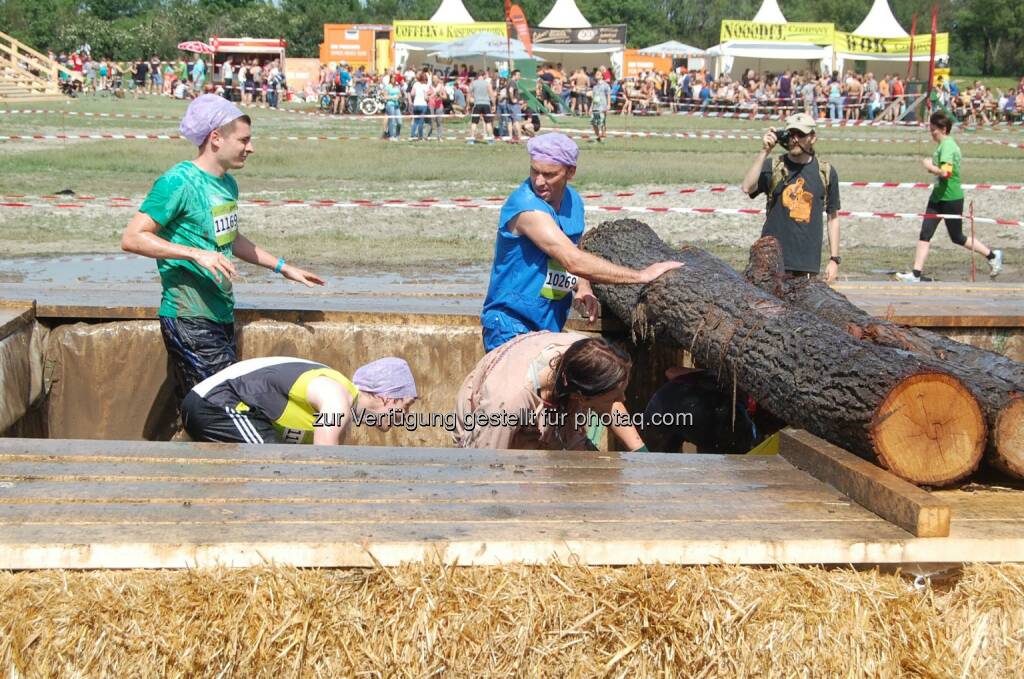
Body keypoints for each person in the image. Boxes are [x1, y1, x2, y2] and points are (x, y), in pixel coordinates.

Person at [479, 133, 683, 451]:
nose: (539, 180)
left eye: (550, 174)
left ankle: (636, 455)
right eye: (534, 171)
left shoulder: (573, 202)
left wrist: (582, 286)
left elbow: (572, 253)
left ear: (570, 172)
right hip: (511, 324)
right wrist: (640, 276)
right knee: (524, 417)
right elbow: (572, 259)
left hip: (549, 323)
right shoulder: (526, 208)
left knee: (591, 385)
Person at [121, 95, 325, 405]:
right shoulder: (178, 181)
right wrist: (196, 253)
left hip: (220, 313)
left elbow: (230, 239)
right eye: (244, 140)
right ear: (215, 138)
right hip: (189, 318)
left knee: (206, 410)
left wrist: (282, 266)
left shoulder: (227, 185)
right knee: (223, 410)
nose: (251, 148)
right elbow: (133, 237)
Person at [454, 332, 630, 451]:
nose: (623, 398)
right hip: (486, 427)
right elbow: (482, 470)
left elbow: (610, 401)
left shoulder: (589, 355)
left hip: (552, 403)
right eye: (615, 397)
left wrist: (641, 453)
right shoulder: (507, 404)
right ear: (580, 396)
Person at [183, 356, 417, 445]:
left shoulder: (343, 414)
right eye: (405, 406)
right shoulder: (337, 398)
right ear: (387, 397)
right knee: (274, 463)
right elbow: (325, 462)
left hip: (220, 406)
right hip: (216, 403)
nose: (406, 416)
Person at [896, 112, 1002, 282]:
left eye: (934, 130)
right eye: (930, 130)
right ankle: (915, 274)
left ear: (943, 129)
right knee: (925, 233)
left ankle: (992, 255)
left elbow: (946, 172)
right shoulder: (942, 145)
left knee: (957, 237)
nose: (931, 133)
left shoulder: (948, 146)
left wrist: (930, 167)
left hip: (951, 197)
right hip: (937, 197)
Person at [740, 113, 842, 282]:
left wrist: (834, 260)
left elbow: (833, 218)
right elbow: (747, 187)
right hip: (771, 264)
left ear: (812, 138)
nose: (795, 139)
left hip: (807, 267)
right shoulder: (773, 166)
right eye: (791, 134)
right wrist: (764, 151)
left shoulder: (826, 172)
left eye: (800, 134)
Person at [467, 71, 496, 144]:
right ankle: (490, 140)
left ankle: (471, 139)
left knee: (474, 122)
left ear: (477, 76)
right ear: (483, 76)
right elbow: (492, 95)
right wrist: (494, 105)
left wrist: (467, 105)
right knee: (488, 122)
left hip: (477, 104)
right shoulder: (487, 83)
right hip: (486, 104)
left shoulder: (473, 83)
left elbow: (468, 94)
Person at [590, 75, 611, 142]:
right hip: (595, 106)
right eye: (596, 74)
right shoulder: (595, 87)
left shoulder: (606, 85)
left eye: (598, 74)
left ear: (602, 76)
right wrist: (590, 107)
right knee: (593, 122)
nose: (596, 75)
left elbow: (608, 95)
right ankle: (598, 136)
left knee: (602, 122)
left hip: (602, 106)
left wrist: (608, 105)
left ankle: (603, 136)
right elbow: (593, 98)